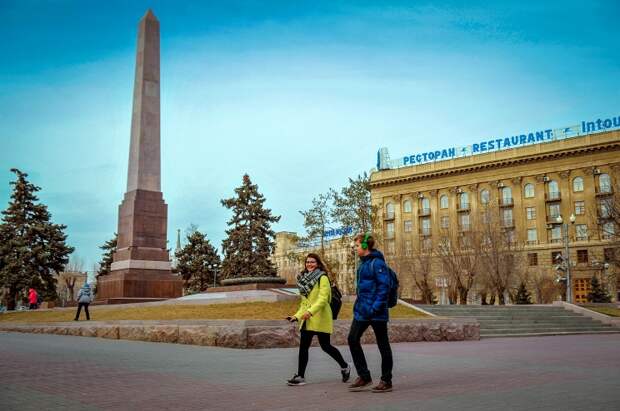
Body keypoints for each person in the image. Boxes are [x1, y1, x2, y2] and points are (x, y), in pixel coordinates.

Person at [286, 253, 350, 386]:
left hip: (320, 317)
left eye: (312, 262)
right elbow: (304, 303)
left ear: (318, 264)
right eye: (307, 262)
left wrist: (310, 312)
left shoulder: (323, 278)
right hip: (307, 319)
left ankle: (345, 366)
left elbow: (322, 300)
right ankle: (300, 376)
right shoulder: (303, 280)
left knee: (326, 346)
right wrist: (296, 316)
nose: (309, 264)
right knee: (303, 347)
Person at [347, 233, 393, 393]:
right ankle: (364, 376)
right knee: (352, 339)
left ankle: (386, 380)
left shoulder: (377, 263)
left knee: (383, 345)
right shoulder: (362, 264)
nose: (355, 249)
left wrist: (375, 307)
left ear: (365, 246)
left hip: (376, 312)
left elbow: (384, 287)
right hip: (362, 311)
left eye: (357, 246)